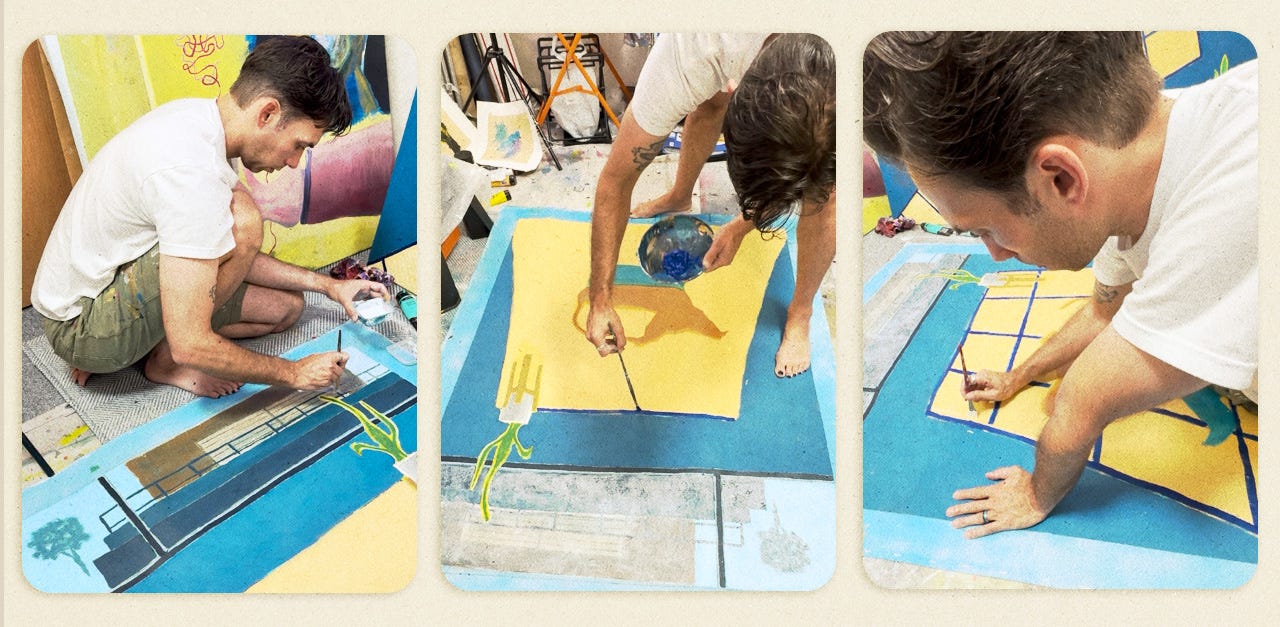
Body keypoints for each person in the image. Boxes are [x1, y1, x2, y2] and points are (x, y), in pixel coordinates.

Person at [863, 32, 1257, 538]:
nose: (994, 253)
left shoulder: (1238, 185)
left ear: (1061, 179)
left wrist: (1035, 494)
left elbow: (1081, 404)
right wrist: (1018, 375)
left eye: (986, 228)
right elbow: (1103, 312)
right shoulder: (1140, 155)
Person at [31, 35, 389, 399]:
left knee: (287, 308)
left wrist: (329, 287)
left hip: (112, 281)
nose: (295, 162)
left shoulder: (202, 121)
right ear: (267, 113)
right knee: (244, 220)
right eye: (299, 145)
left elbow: (221, 250)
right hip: (81, 324)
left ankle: (152, 344)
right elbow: (192, 344)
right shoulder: (191, 173)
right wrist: (294, 372)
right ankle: (163, 361)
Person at [586, 33, 835, 378]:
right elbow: (615, 181)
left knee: (826, 196)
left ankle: (801, 311)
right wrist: (599, 299)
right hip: (721, 47)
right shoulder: (691, 51)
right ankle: (680, 195)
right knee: (709, 102)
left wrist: (740, 227)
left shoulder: (854, 67)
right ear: (738, 89)